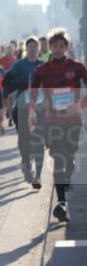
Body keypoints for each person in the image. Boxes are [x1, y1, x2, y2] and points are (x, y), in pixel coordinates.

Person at [28, 28, 87, 222]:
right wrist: (31, 113)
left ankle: (65, 197)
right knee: (59, 158)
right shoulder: (42, 70)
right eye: (55, 46)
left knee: (69, 160)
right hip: (52, 122)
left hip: (73, 121)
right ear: (50, 47)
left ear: (67, 47)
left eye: (62, 46)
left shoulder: (77, 67)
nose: (58, 49)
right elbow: (33, 91)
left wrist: (79, 105)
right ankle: (61, 201)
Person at [2, 37, 45, 187]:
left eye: (35, 46)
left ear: (39, 49)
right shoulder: (19, 65)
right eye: (30, 46)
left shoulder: (43, 65)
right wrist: (12, 92)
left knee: (39, 141)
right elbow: (6, 81)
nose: (33, 49)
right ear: (26, 49)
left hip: (40, 107)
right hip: (22, 106)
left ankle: (38, 176)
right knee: (25, 140)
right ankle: (26, 163)